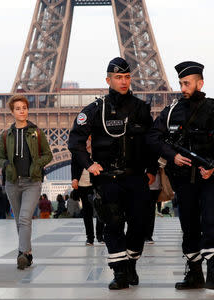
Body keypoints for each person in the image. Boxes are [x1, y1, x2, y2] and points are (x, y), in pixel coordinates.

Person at [146, 61, 214, 290]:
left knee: (211, 220)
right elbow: (153, 138)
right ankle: (195, 272)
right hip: (182, 179)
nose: (183, 88)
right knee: (188, 224)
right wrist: (173, 156)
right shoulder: (170, 113)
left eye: (187, 83)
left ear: (200, 83)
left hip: (208, 177)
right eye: (181, 83)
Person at [69, 57, 156, 290]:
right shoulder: (96, 110)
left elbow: (152, 142)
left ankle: (131, 262)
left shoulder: (141, 109)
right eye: (118, 77)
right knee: (113, 224)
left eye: (127, 77)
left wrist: (153, 170)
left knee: (139, 226)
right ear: (108, 80)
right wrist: (89, 164)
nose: (123, 81)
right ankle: (119, 271)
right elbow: (75, 140)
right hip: (108, 178)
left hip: (136, 176)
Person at [0, 94, 52, 270]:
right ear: (12, 112)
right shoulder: (6, 135)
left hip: (32, 182)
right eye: (18, 108)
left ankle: (21, 253)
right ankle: (27, 253)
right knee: (20, 221)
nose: (22, 111)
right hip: (13, 182)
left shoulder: (37, 132)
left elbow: (48, 154)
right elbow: (0, 157)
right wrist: (6, 165)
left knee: (24, 218)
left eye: (24, 108)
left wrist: (37, 165)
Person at [71, 136, 104, 245]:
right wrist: (74, 179)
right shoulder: (78, 152)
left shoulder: (99, 152)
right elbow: (74, 166)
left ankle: (100, 236)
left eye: (88, 139)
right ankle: (90, 238)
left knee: (100, 211)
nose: (86, 141)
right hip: (82, 185)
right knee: (87, 213)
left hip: (96, 185)